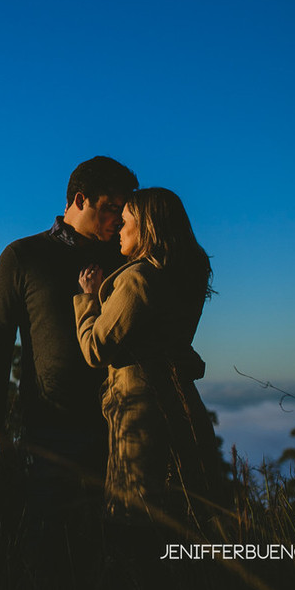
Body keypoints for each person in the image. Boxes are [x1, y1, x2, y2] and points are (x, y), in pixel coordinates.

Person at [0, 156, 139, 560]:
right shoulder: (23, 256)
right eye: (109, 208)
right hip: (52, 424)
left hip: (119, 422)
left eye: (123, 211)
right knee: (49, 538)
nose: (118, 220)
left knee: (117, 543)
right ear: (79, 199)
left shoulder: (123, 260)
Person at [74, 187, 218, 530]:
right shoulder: (185, 274)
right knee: (185, 513)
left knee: (133, 517)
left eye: (125, 221)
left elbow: (95, 350)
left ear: (147, 226)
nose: (118, 230)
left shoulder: (139, 278)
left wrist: (88, 300)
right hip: (182, 403)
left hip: (140, 412)